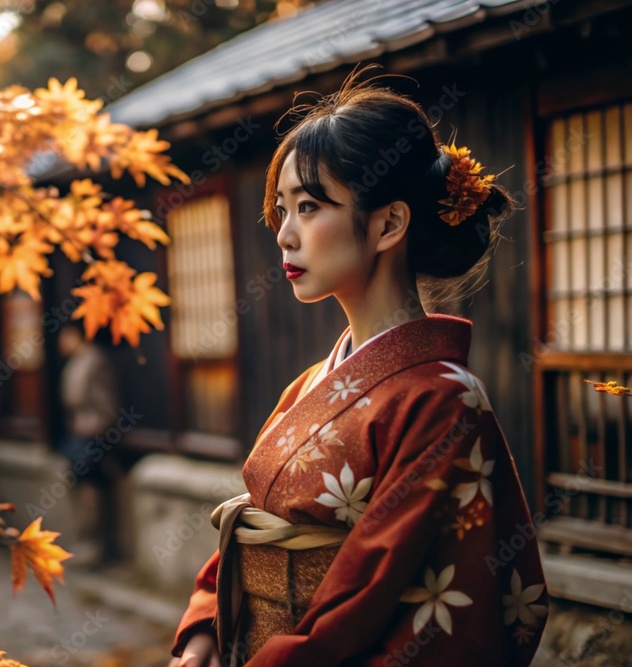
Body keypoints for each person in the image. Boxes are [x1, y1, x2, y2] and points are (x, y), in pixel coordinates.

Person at [168, 64, 548, 667]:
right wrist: (203, 633)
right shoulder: (313, 382)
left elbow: (380, 592)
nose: (285, 235)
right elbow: (247, 528)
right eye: (282, 208)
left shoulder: (443, 399)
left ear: (389, 223)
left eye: (310, 207)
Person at [56, 322, 121, 562]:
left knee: (91, 488)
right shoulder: (78, 360)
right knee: (77, 485)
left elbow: (106, 404)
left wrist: (99, 430)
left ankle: (96, 545)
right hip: (79, 432)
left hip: (93, 434)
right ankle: (84, 540)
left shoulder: (95, 361)